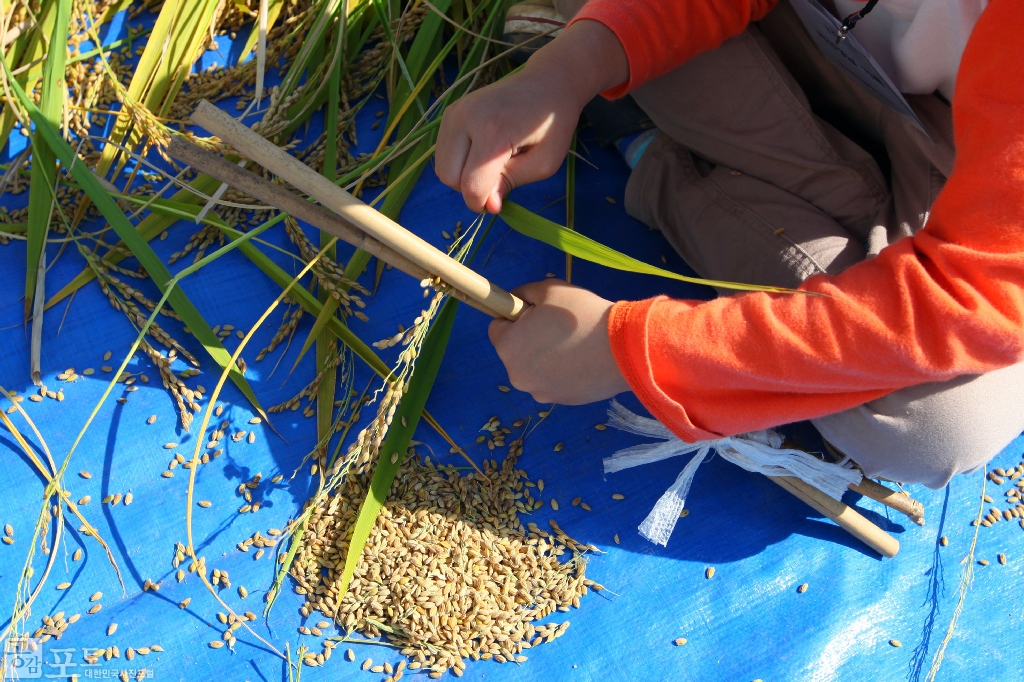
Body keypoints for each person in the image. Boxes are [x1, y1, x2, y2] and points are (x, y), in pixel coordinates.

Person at [434, 0, 1024, 489]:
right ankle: (631, 92)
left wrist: (639, 354)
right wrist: (565, 71)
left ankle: (649, 144)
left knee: (936, 426)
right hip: (804, 29)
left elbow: (967, 298)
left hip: (968, 152)